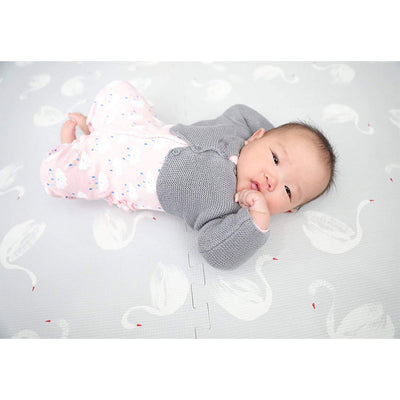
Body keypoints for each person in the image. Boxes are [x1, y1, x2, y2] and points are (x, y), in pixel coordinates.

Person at [40, 81, 336, 269]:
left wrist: (257, 218)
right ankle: (96, 132)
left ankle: (76, 151)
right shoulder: (239, 131)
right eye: (275, 158)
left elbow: (216, 252)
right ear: (258, 137)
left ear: (290, 209)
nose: (273, 179)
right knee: (118, 91)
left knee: (55, 174)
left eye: (287, 191)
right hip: (147, 128)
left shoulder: (234, 213)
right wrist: (269, 137)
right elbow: (242, 110)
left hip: (123, 174)